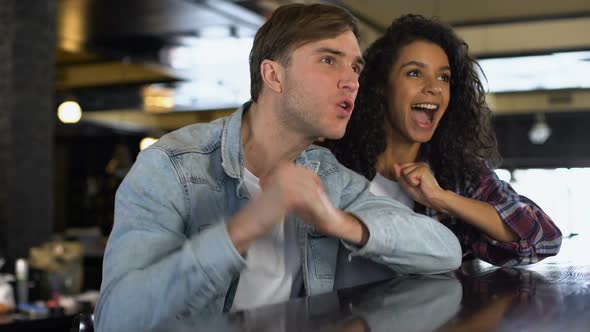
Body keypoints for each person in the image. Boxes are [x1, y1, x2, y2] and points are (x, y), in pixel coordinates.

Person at [94, 5, 462, 331]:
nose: (351, 81)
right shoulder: (171, 166)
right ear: (273, 76)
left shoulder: (326, 174)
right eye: (328, 60)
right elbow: (116, 321)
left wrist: (336, 222)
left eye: (354, 67)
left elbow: (445, 250)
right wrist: (246, 227)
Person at [325, 14, 562, 267]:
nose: (434, 87)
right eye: (415, 73)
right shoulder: (333, 162)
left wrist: (442, 198)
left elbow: (543, 239)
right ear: (381, 86)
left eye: (444, 77)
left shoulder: (458, 173)